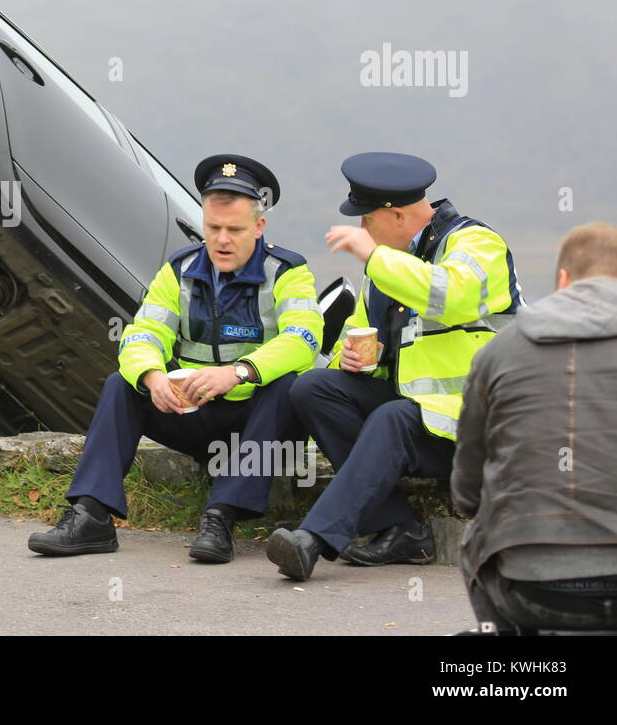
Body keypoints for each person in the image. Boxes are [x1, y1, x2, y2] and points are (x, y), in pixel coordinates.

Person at [28, 155, 323, 563]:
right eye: (212, 228)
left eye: (235, 230)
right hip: (196, 417)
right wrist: (152, 377)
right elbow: (143, 334)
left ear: (259, 227)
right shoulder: (178, 271)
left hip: (263, 427)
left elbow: (303, 339)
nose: (221, 240)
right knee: (122, 383)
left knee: (288, 384)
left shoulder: (288, 271)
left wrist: (239, 373)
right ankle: (91, 515)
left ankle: (220, 518)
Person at [265, 152, 525, 581]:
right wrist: (354, 361)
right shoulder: (388, 264)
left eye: (367, 220)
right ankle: (399, 527)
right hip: (421, 419)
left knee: (395, 416)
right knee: (312, 388)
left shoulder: (477, 244)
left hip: (481, 423)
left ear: (398, 215)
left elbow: (451, 295)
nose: (363, 231)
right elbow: (361, 335)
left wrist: (374, 257)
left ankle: (314, 539)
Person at [453, 222, 617, 634]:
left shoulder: (499, 349)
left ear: (563, 280)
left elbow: (467, 490)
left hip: (529, 587)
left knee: (478, 538)